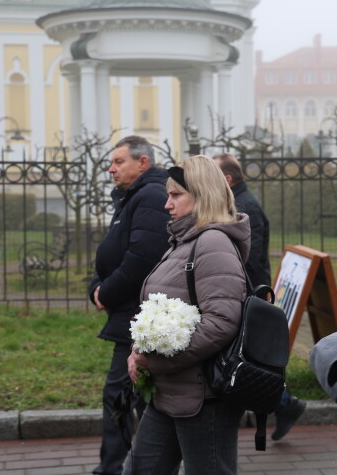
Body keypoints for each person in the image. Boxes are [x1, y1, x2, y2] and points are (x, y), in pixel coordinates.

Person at [123, 155, 250, 475]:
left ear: (203, 195)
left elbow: (221, 322)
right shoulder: (183, 241)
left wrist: (153, 361)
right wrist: (138, 349)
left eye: (176, 195)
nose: (167, 204)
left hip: (203, 399)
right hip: (170, 392)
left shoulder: (213, 243)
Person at [87, 136, 171, 475]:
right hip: (130, 314)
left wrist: (105, 293)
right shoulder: (133, 197)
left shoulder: (149, 196)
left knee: (120, 396)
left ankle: (112, 468)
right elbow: (116, 251)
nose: (111, 168)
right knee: (133, 397)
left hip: (139, 316)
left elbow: (141, 258)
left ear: (143, 163)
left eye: (119, 161)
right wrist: (97, 284)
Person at [212, 152, 306, 440]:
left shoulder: (242, 207)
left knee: (242, 363)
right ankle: (283, 405)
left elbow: (248, 261)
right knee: (241, 362)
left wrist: (243, 299)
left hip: (246, 297)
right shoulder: (237, 203)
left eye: (214, 175)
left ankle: (284, 404)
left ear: (227, 179)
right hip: (245, 295)